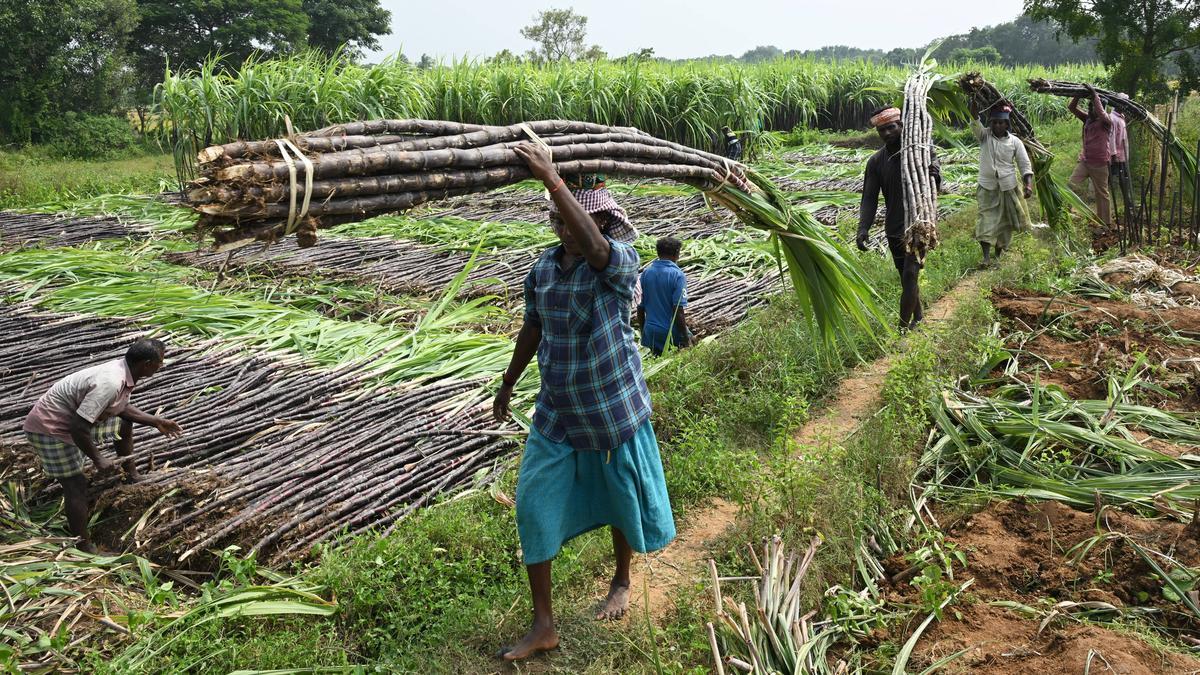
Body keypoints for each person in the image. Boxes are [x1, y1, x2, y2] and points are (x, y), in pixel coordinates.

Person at [493, 146, 676, 662]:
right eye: (564, 222)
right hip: (557, 411)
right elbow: (533, 327)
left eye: (582, 220)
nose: (570, 231)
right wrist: (508, 383)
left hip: (611, 407)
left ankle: (621, 578)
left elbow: (596, 251)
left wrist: (552, 179)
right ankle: (544, 624)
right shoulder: (542, 271)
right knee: (531, 502)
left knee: (619, 493)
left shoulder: (619, 262)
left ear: (602, 222)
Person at [22, 339, 183, 554]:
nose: (161, 367)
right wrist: (99, 459)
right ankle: (84, 545)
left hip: (71, 420)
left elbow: (121, 409)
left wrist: (156, 421)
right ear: (146, 364)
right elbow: (78, 427)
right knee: (75, 484)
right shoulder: (110, 382)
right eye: (160, 363)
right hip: (49, 428)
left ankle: (131, 474)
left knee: (123, 423)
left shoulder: (124, 372)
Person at [857, 106, 942, 331]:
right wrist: (863, 228)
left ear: (902, 126)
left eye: (891, 127)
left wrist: (936, 175)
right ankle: (919, 318)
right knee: (905, 277)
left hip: (918, 224)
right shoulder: (875, 162)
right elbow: (869, 198)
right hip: (894, 228)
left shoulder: (922, 152)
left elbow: (937, 184)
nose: (886, 133)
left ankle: (903, 329)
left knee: (911, 273)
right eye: (882, 130)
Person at [969, 101, 1033, 265]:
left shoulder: (1014, 142)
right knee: (985, 220)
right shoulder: (984, 136)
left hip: (1008, 186)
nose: (997, 125)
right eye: (994, 122)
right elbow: (974, 119)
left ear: (1007, 124)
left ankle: (997, 256)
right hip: (987, 186)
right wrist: (974, 97)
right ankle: (986, 258)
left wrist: (1028, 185)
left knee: (1004, 224)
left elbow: (1024, 164)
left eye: (1001, 123)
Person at [1067, 84, 1114, 228]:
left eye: (1093, 107)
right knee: (1071, 184)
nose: (1091, 110)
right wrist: (1077, 95)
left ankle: (1105, 223)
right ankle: (1065, 212)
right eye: (1090, 107)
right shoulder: (1087, 119)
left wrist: (1094, 95)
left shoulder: (1106, 122)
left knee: (1102, 194)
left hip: (1100, 163)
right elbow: (1072, 108)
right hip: (1085, 161)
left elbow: (1101, 113)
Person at [638, 236, 693, 356]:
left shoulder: (646, 273)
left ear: (658, 252)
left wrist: (644, 333)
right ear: (676, 253)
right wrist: (686, 339)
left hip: (651, 331)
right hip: (669, 333)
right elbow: (678, 310)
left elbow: (640, 307)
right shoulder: (678, 275)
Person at [1108, 93, 1133, 221]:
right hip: (1116, 157)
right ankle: (1110, 211)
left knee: (1124, 183)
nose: (1125, 106)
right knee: (1112, 182)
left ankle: (1128, 208)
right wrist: (1113, 155)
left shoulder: (1121, 117)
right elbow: (1111, 138)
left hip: (1122, 157)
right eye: (1124, 103)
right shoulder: (1113, 118)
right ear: (1118, 104)